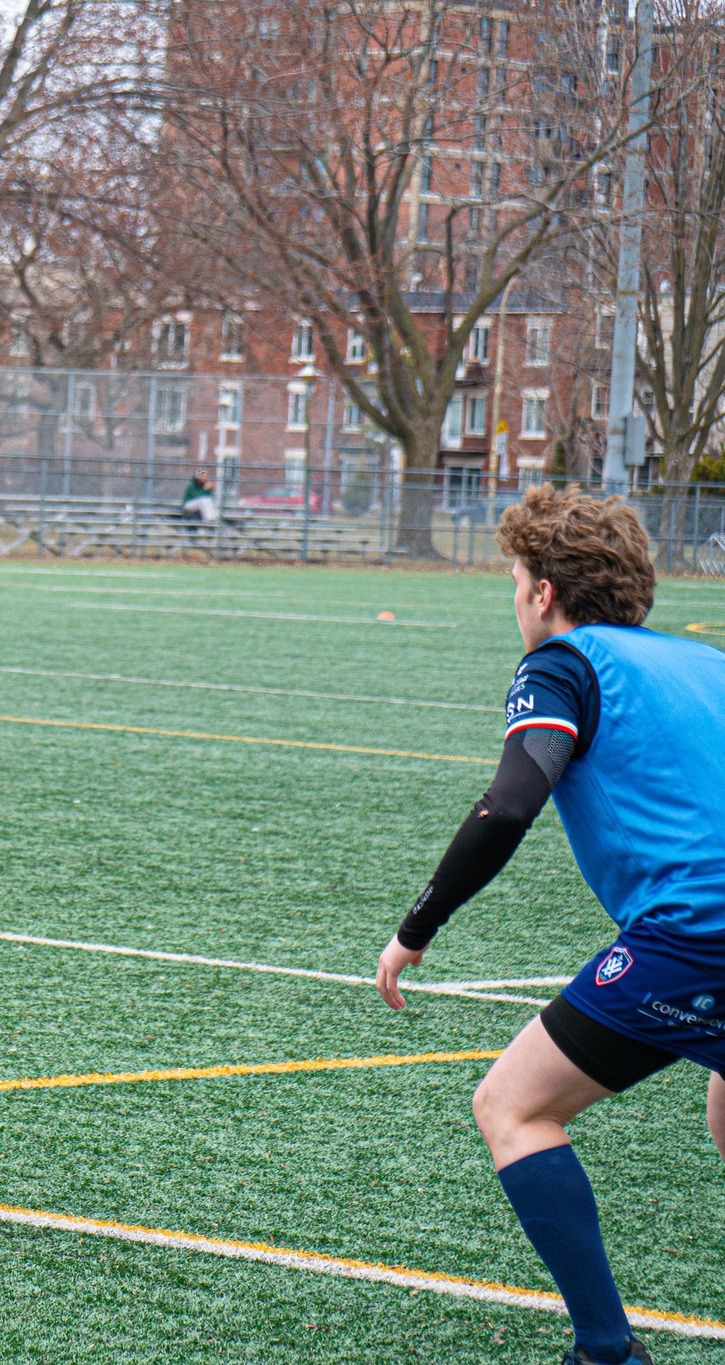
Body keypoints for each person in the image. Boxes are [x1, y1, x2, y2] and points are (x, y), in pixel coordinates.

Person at [375, 486, 725, 1365]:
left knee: (512, 1104)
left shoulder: (561, 664)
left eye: (516, 577)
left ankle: (605, 1351)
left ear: (542, 592)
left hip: (695, 933)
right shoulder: (708, 663)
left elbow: (506, 808)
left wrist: (419, 926)